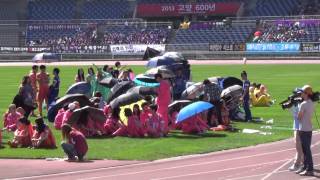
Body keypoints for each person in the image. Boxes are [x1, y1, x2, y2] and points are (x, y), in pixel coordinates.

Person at [295, 85, 314, 176]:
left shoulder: (303, 104)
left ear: (306, 94)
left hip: (303, 129)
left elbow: (299, 117)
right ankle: (305, 167)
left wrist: (298, 108)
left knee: (306, 150)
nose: (301, 93)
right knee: (306, 150)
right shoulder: (311, 103)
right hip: (309, 129)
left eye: (302, 92)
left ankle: (309, 169)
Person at [288, 95, 304, 171]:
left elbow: (298, 116)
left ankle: (297, 164)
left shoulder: (301, 105)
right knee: (301, 147)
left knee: (298, 147)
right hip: (299, 127)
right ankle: (304, 162)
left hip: (299, 127)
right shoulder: (299, 104)